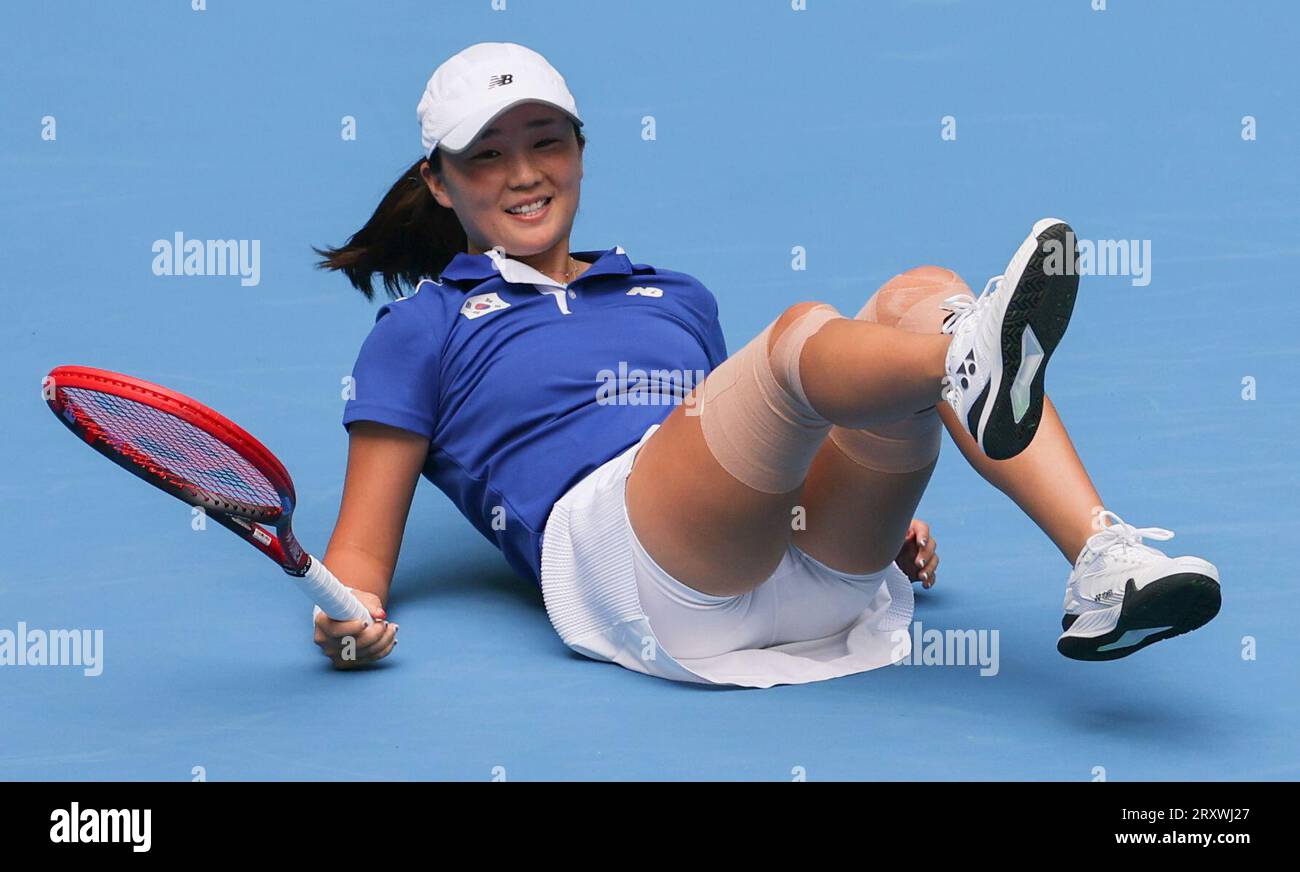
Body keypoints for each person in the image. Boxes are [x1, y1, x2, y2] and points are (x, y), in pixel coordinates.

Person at [310, 42, 1221, 688]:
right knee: (799, 338)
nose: (523, 174)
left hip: (814, 578)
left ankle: (1103, 560)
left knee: (922, 287)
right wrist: (346, 618)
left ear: (582, 151)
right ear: (439, 181)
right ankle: (960, 367)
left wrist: (866, 505)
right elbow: (360, 550)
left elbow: (743, 447)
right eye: (487, 155)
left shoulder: (676, 295)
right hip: (645, 581)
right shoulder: (420, 328)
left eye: (545, 140)